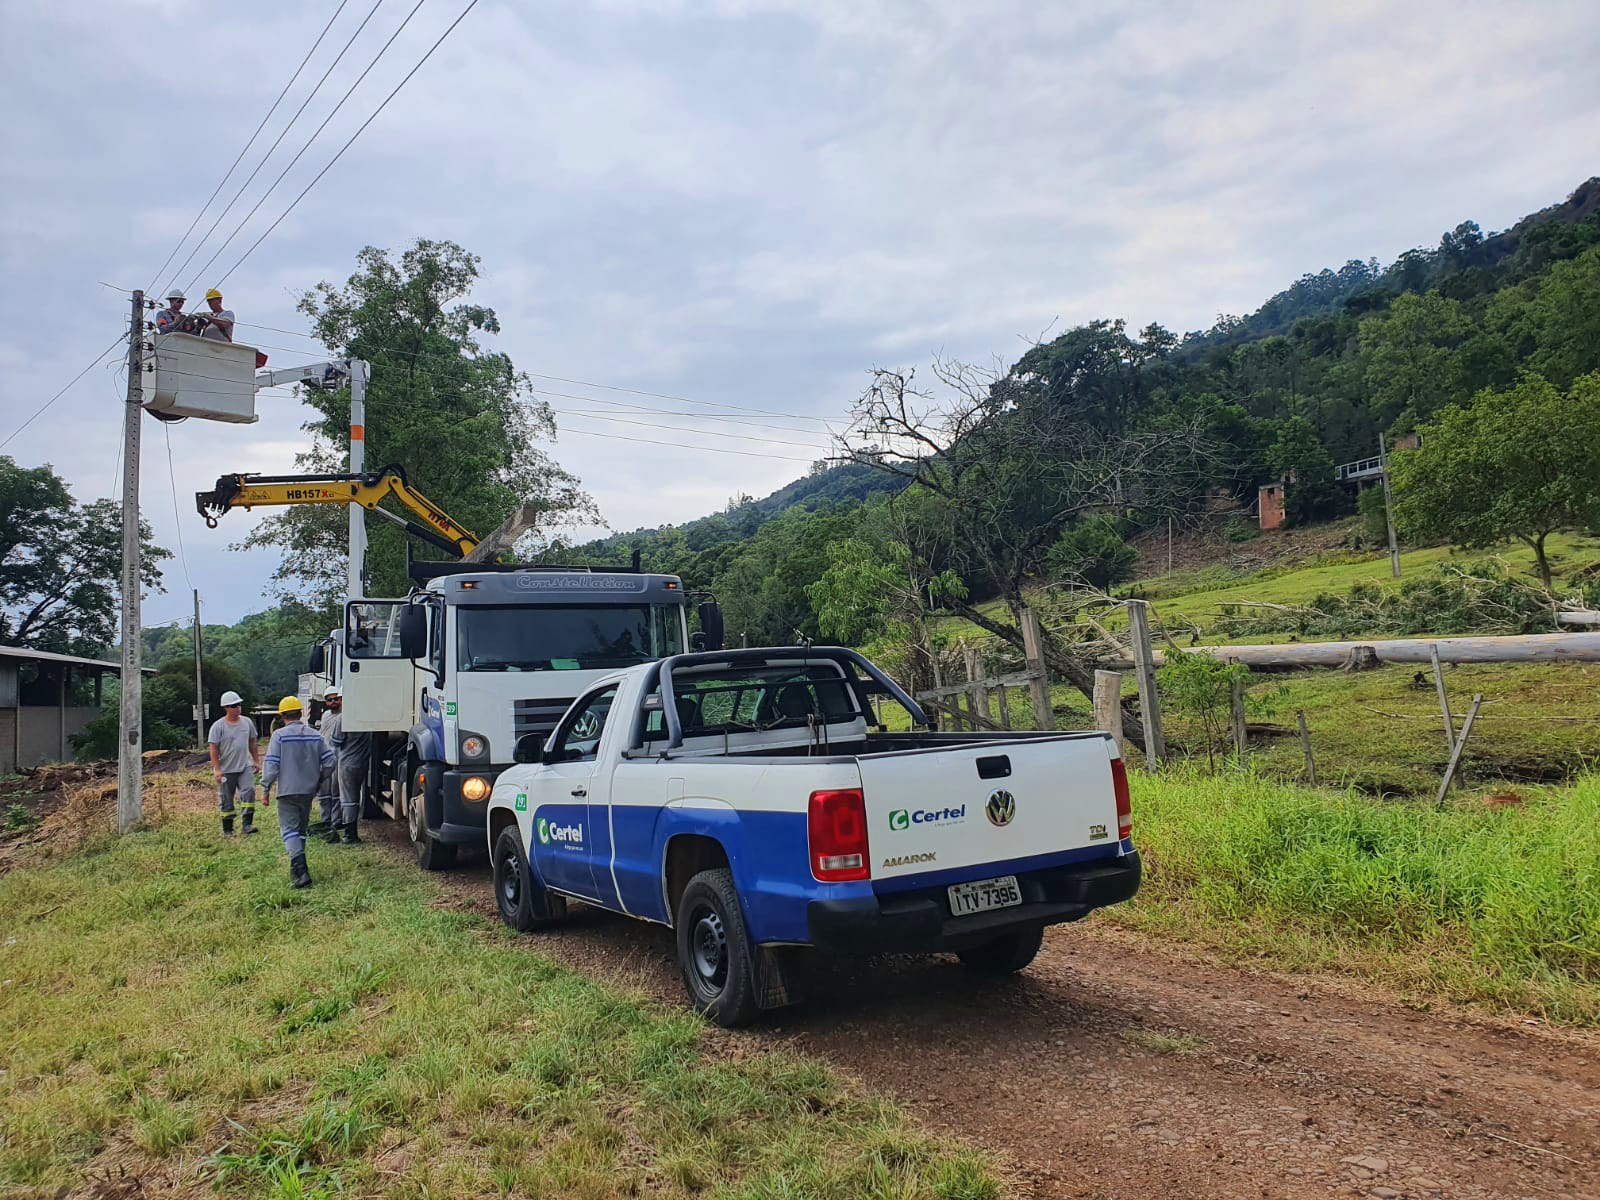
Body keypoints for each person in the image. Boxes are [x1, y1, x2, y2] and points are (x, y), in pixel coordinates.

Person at [260, 695, 334, 889]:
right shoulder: (316, 736)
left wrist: (265, 789)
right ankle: (299, 868)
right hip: (308, 791)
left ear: (282, 716)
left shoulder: (279, 736)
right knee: (301, 830)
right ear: (301, 714)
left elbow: (272, 765)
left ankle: (300, 870)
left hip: (287, 791)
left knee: (289, 830)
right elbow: (330, 762)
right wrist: (319, 781)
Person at [207, 690, 262, 837]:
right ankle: (228, 829)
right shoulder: (218, 727)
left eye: (238, 705)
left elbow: (252, 742)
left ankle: (247, 824)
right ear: (226, 708)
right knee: (226, 799)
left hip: (244, 766)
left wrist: (256, 761)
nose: (237, 708)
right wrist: (217, 769)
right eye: (233, 706)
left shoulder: (247, 723)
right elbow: (213, 749)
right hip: (226, 769)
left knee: (249, 793)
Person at [315, 688, 343, 832]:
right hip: (323, 757)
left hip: (338, 757)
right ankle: (326, 819)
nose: (333, 702)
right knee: (324, 792)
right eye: (329, 700)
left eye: (335, 699)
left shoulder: (344, 716)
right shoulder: (326, 715)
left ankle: (336, 820)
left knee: (336, 791)